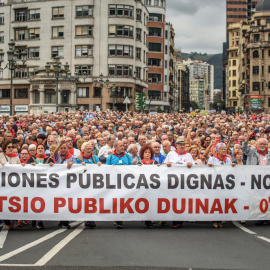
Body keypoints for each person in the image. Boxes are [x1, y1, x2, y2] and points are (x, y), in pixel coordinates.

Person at [164, 137, 194, 229]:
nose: (182, 146)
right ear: (176, 145)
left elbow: (194, 166)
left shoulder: (188, 155)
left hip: (184, 182)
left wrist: (191, 165)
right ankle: (175, 221)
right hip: (173, 182)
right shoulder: (171, 154)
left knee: (183, 201)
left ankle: (181, 221)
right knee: (174, 201)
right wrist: (167, 164)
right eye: (180, 145)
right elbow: (164, 165)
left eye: (183, 145)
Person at [242, 130, 270, 226]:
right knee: (256, 198)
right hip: (255, 179)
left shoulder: (269, 153)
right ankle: (258, 217)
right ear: (257, 144)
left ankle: (267, 217)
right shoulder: (252, 151)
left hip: (267, 180)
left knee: (267, 198)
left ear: (266, 145)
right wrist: (247, 138)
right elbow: (244, 148)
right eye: (260, 143)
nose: (262, 145)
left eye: (264, 144)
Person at [208, 143, 236, 229]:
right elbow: (207, 169)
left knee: (222, 202)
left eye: (225, 149)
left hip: (224, 184)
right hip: (215, 184)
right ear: (217, 151)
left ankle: (220, 220)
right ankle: (214, 220)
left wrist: (233, 166)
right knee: (215, 202)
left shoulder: (228, 160)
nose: (224, 151)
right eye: (222, 149)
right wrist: (209, 166)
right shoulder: (212, 159)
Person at [106, 140, 133, 228]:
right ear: (116, 147)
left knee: (122, 200)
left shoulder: (127, 156)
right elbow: (106, 169)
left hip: (124, 182)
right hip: (114, 182)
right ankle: (118, 219)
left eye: (124, 145)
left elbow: (131, 168)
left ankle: (119, 218)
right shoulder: (110, 157)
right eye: (121, 145)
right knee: (116, 200)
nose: (123, 146)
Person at [0, 139, 21, 230]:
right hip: (4, 184)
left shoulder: (15, 157)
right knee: (5, 202)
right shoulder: (1, 156)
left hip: (14, 183)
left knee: (14, 202)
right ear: (5, 148)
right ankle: (7, 222)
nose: (11, 149)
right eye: (9, 147)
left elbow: (20, 168)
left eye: (12, 147)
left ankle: (14, 220)